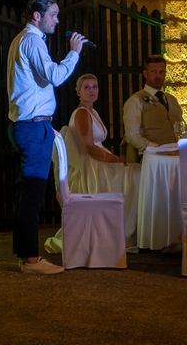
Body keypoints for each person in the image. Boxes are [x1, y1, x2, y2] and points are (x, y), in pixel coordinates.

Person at [7, 0, 88, 274]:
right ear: (37, 16)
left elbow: (33, 87)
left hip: (35, 124)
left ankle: (24, 253)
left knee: (28, 192)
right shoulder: (31, 40)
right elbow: (53, 76)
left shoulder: (24, 40)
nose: (57, 19)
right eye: (53, 14)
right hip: (31, 127)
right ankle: (30, 259)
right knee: (32, 192)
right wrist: (74, 52)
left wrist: (44, 122)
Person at [44, 73, 140, 252]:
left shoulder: (92, 111)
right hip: (92, 166)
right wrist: (116, 160)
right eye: (86, 87)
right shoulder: (81, 113)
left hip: (98, 160)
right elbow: (89, 147)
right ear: (78, 92)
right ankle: (123, 233)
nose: (91, 90)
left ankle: (126, 230)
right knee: (136, 176)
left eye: (94, 87)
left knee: (136, 172)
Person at [122, 55, 183, 162]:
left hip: (175, 156)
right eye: (154, 71)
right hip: (151, 159)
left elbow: (179, 128)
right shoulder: (135, 101)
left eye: (161, 72)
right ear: (145, 73)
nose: (158, 76)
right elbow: (132, 136)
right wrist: (156, 148)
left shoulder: (172, 99)